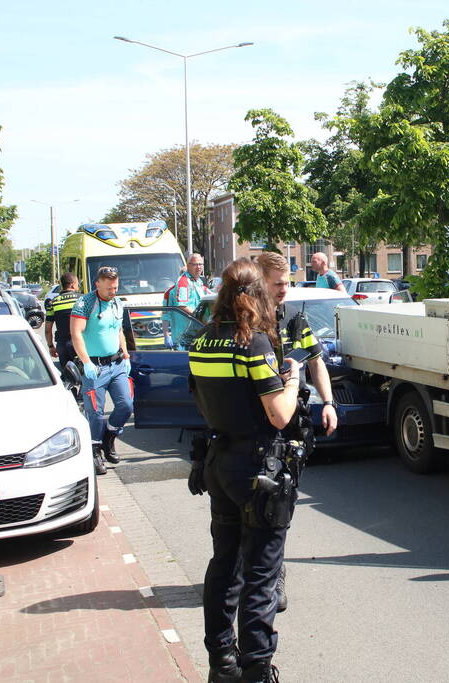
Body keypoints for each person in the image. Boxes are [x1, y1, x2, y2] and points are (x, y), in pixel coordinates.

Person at [186, 258, 304, 683]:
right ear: (256, 295)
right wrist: (290, 382)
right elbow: (278, 415)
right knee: (261, 572)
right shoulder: (252, 343)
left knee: (224, 565)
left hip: (220, 464)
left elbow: (200, 402)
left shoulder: (200, 342)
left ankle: (223, 664)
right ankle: (257, 669)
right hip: (258, 469)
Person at [256, 251, 339, 612]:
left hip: (291, 426)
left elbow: (316, 361)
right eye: (278, 284)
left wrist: (329, 402)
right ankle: (258, 571)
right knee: (254, 505)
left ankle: (275, 573)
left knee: (282, 503)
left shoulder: (294, 320)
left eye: (288, 283)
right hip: (257, 426)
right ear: (258, 281)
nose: (284, 290)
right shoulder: (247, 323)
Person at [70, 266, 133, 475]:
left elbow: (118, 330)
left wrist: (125, 354)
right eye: (108, 288)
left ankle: (109, 438)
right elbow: (76, 333)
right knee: (95, 413)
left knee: (125, 405)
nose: (113, 292)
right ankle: (95, 450)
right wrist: (86, 362)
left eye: (115, 287)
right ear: (97, 284)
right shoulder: (85, 303)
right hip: (95, 367)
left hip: (116, 365)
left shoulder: (117, 303)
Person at [165, 253, 211, 348]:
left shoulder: (198, 282)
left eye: (201, 264)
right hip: (184, 337)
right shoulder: (183, 282)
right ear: (188, 265)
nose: (199, 267)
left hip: (197, 332)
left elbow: (211, 295)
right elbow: (182, 306)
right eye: (195, 264)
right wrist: (199, 317)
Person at [45, 272, 81, 370]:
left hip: (62, 345)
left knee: (68, 376)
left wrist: (51, 346)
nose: (78, 286)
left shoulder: (53, 302)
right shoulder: (82, 300)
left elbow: (48, 329)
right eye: (78, 283)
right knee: (84, 376)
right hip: (80, 343)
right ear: (73, 284)